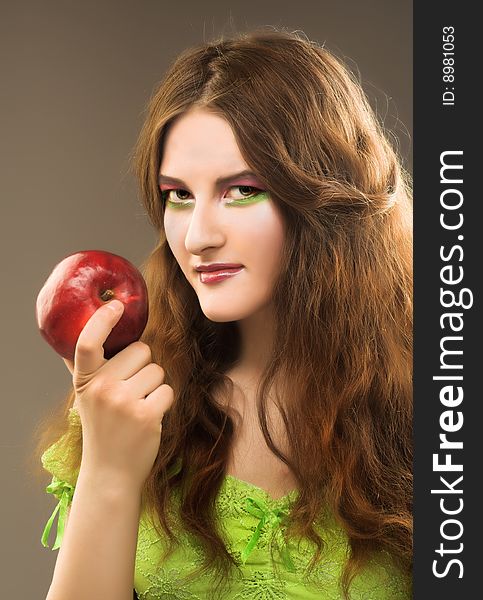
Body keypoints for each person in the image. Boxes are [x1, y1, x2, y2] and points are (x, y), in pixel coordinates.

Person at [35, 26, 413, 600]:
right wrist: (109, 472)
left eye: (241, 190)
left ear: (324, 195)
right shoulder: (129, 407)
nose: (198, 236)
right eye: (178, 195)